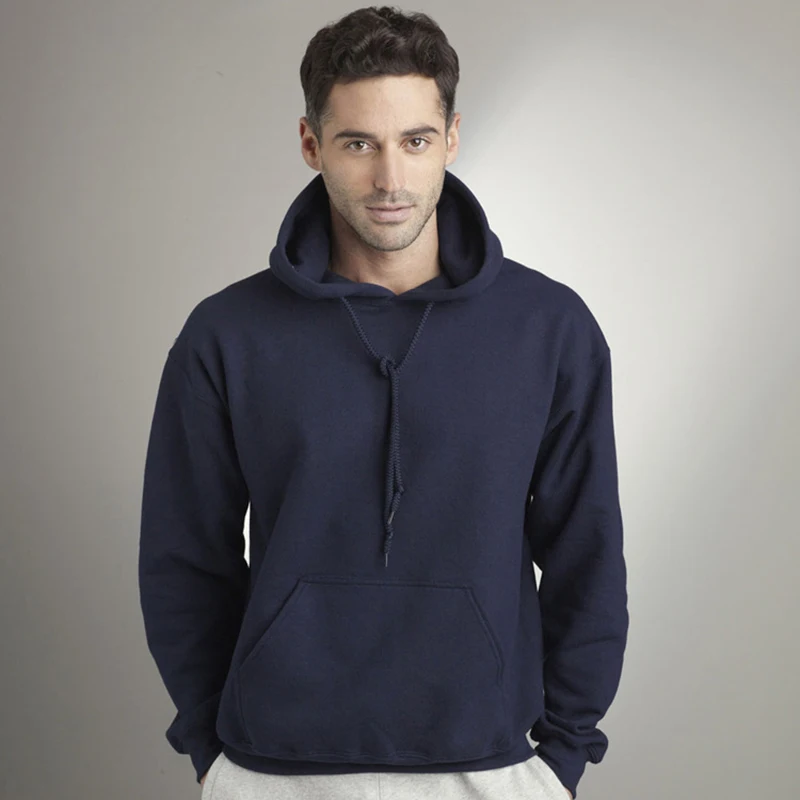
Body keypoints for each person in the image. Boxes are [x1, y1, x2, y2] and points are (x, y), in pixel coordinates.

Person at [137, 6, 629, 799]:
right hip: (272, 772)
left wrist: (563, 757)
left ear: (452, 138)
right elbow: (183, 559)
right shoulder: (227, 335)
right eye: (359, 143)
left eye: (416, 141)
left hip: (492, 767)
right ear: (311, 145)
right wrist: (211, 747)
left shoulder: (548, 329)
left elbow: (588, 553)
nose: (391, 179)